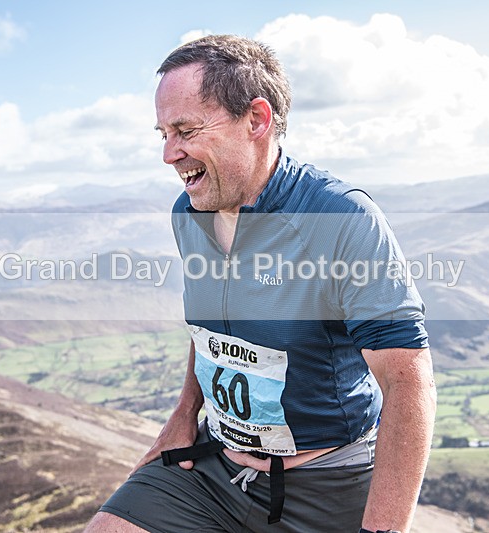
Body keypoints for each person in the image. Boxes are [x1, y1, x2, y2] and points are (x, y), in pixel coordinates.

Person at [84, 35, 436, 533]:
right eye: (162, 133)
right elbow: (211, 330)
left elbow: (407, 382)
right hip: (210, 469)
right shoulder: (189, 213)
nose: (168, 153)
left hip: (326, 485)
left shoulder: (339, 217)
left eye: (185, 129)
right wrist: (186, 411)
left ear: (256, 120)